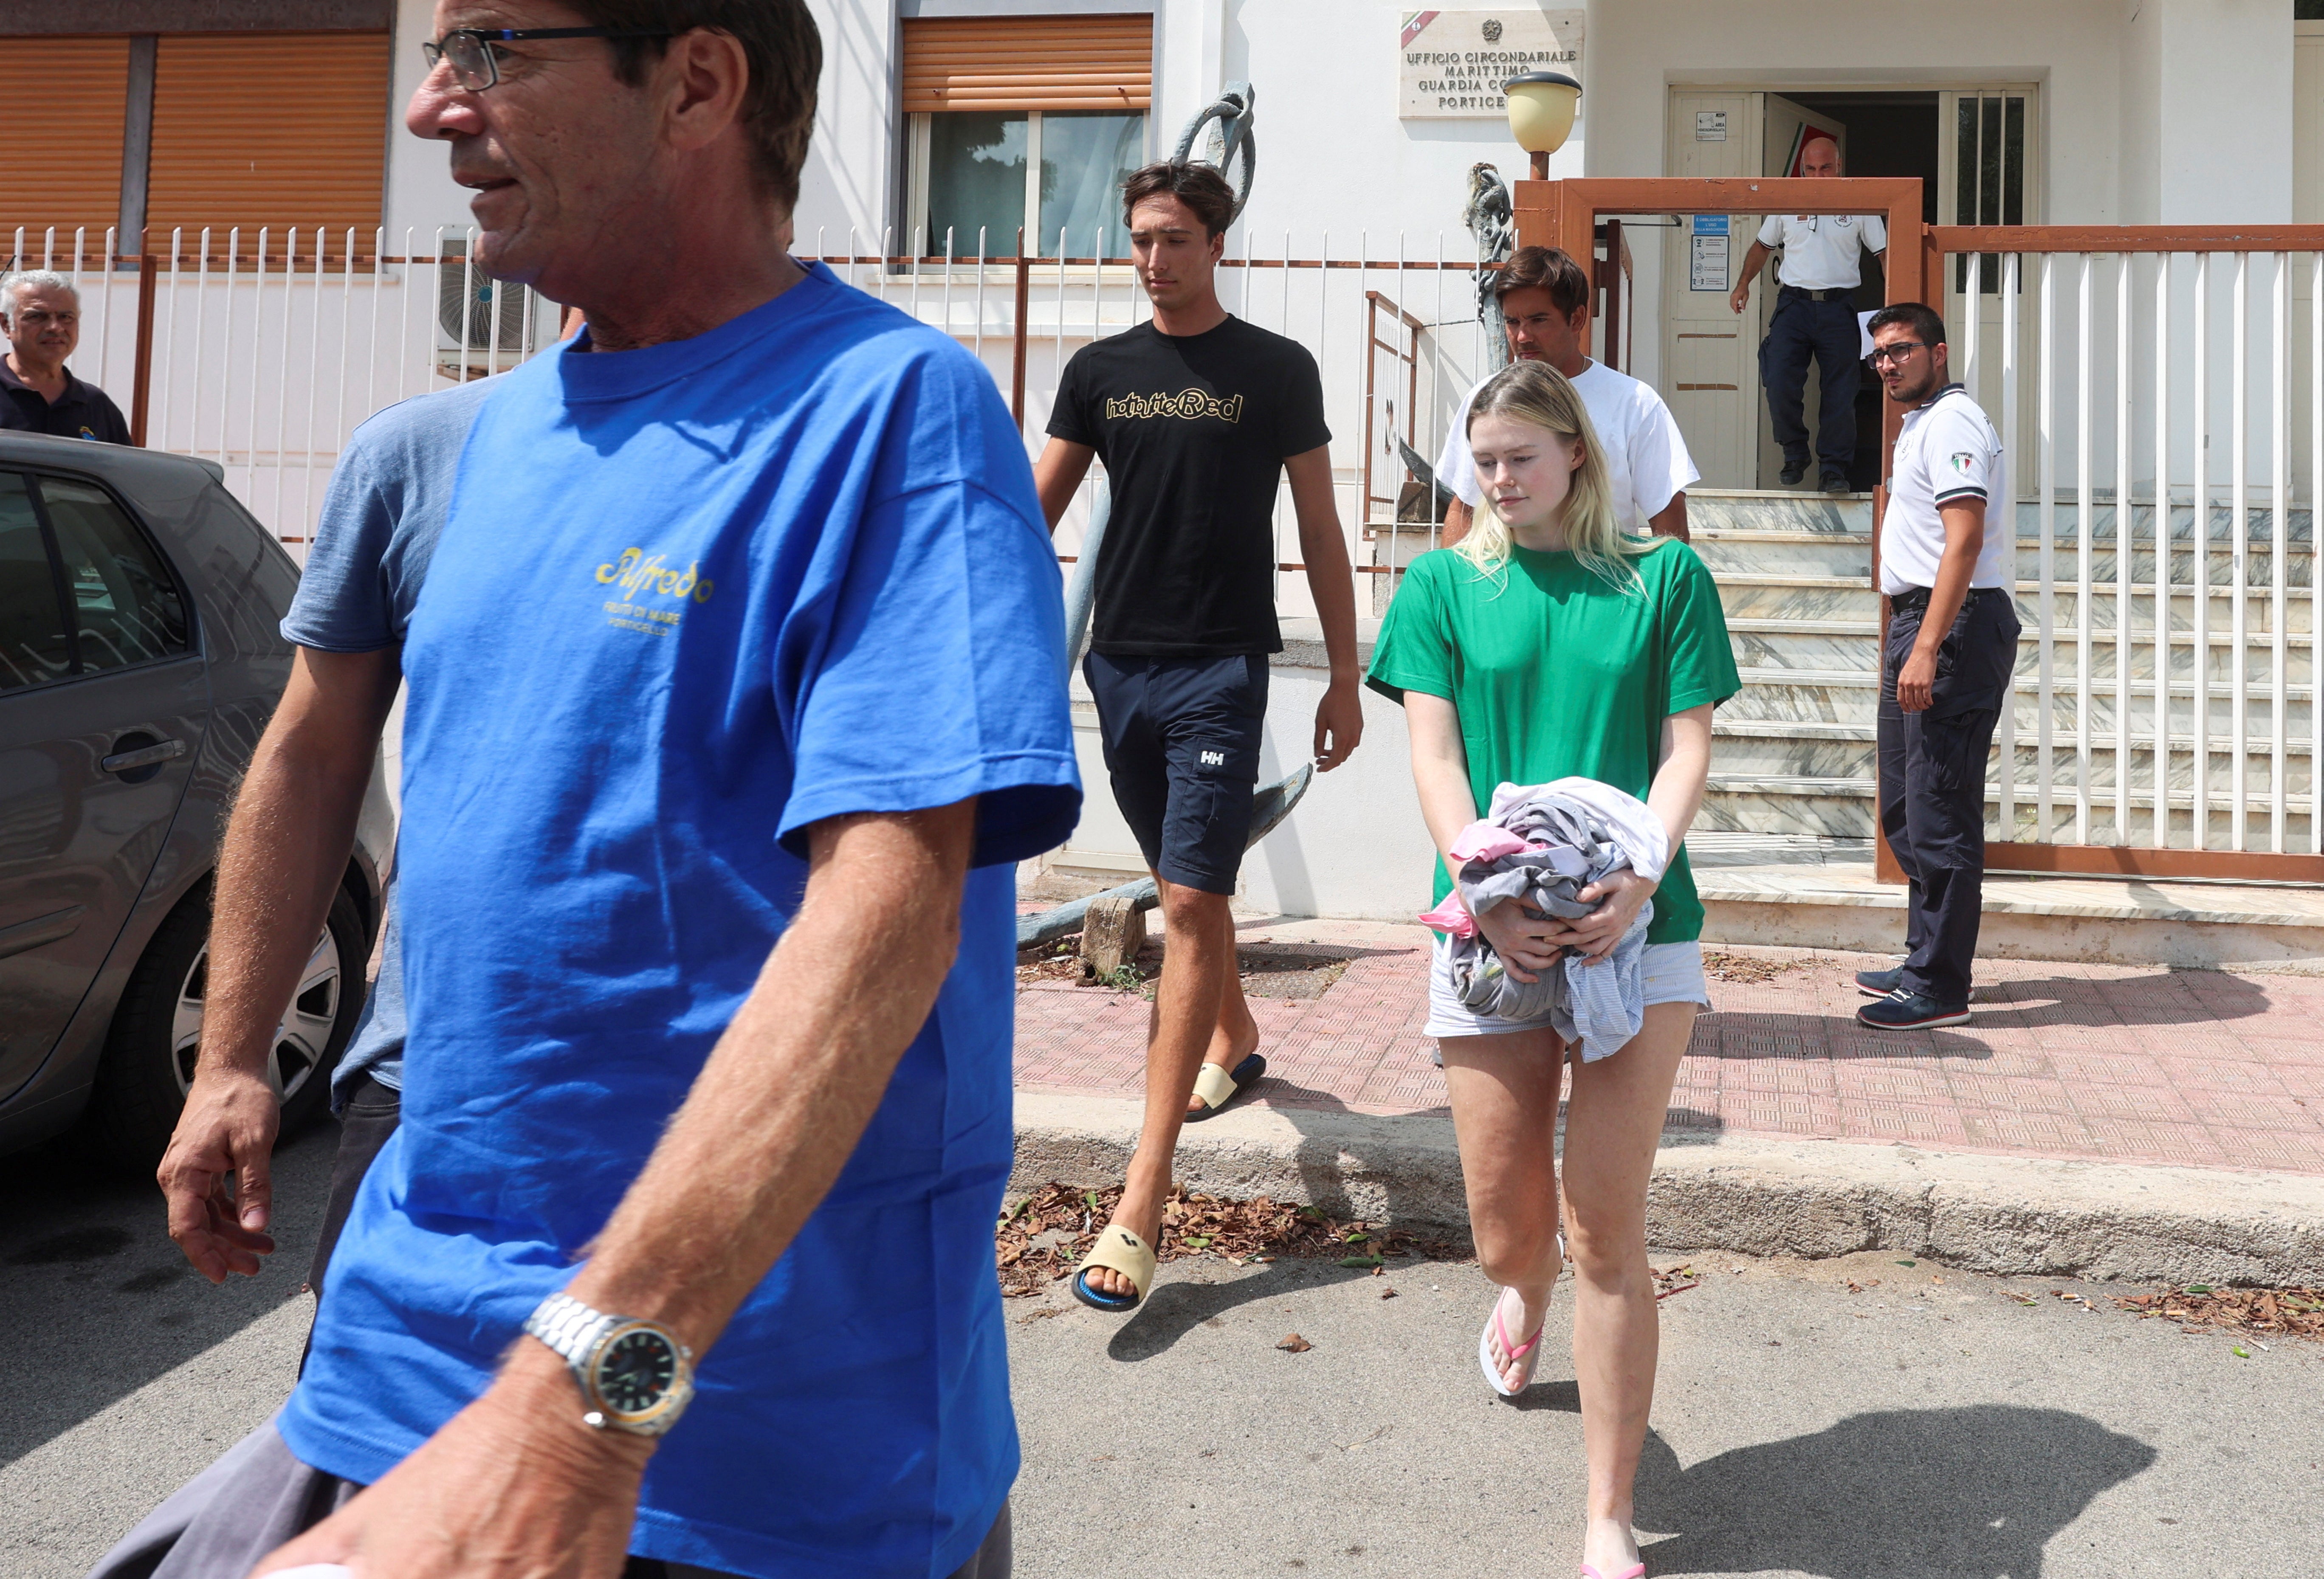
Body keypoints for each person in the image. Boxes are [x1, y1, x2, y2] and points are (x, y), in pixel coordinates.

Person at [92, 8, 1078, 1579]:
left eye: (491, 49)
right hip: (399, 1374)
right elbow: (310, 751)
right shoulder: (489, 444)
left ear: (694, 81)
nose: (430, 111)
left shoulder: (891, 414)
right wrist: (230, 1062)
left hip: (726, 1442)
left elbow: (889, 921)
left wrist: (587, 1403)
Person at [1366, 359, 1737, 1579]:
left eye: (1522, 457)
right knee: (1503, 1227)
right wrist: (1487, 888)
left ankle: (1607, 1517)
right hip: (1491, 926)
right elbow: (1433, 757)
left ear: (1579, 454)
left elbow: (1686, 746)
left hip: (1644, 925)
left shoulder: (1662, 577)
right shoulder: (1441, 584)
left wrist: (1643, 865)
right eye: (1483, 461)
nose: (1499, 480)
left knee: (1606, 1228)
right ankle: (1521, 1296)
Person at [1031, 159, 1364, 1312]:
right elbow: (1037, 514)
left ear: (1216, 243)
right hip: (1117, 666)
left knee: (1183, 901)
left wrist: (1346, 678)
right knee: (1195, 896)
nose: (1153, 258)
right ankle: (1237, 1029)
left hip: (1223, 668)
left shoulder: (1275, 369)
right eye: (1139, 239)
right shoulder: (1100, 371)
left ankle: (1142, 1197)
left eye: (1173, 238)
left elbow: (1321, 527)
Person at [1855, 302, 2018, 1031]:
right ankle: (1926, 950)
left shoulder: (1952, 421)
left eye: (1903, 350)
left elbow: (1965, 539)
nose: (1889, 363)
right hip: (1921, 620)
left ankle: (1941, 984)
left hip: (1951, 626)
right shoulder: (1921, 422)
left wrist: (1926, 644)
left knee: (1940, 812)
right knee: (1907, 806)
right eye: (1880, 354)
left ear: (1939, 352)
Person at [1438, 245, 1695, 546]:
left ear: (1577, 319)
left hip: (1606, 585)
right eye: (1512, 322)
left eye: (1538, 320)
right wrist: (1453, 588)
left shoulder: (1635, 403)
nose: (1522, 336)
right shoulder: (1485, 399)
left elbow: (1670, 525)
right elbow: (1465, 509)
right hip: (1508, 588)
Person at [1726, 135, 1886, 493]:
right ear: (1802, 170)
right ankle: (1794, 452)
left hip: (1840, 307)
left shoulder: (1861, 202)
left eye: (1826, 168)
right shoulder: (1787, 201)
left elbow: (1884, 253)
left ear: (1839, 166)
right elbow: (1761, 246)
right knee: (1779, 377)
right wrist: (1743, 284)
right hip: (1794, 305)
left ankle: (1833, 470)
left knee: (1840, 394)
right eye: (1811, 169)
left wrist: (1899, 303)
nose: (1818, 176)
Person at [0, 270, 131, 443]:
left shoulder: (95, 404)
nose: (55, 327)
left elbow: (119, 468)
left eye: (66, 317)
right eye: (37, 316)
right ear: (7, 325)